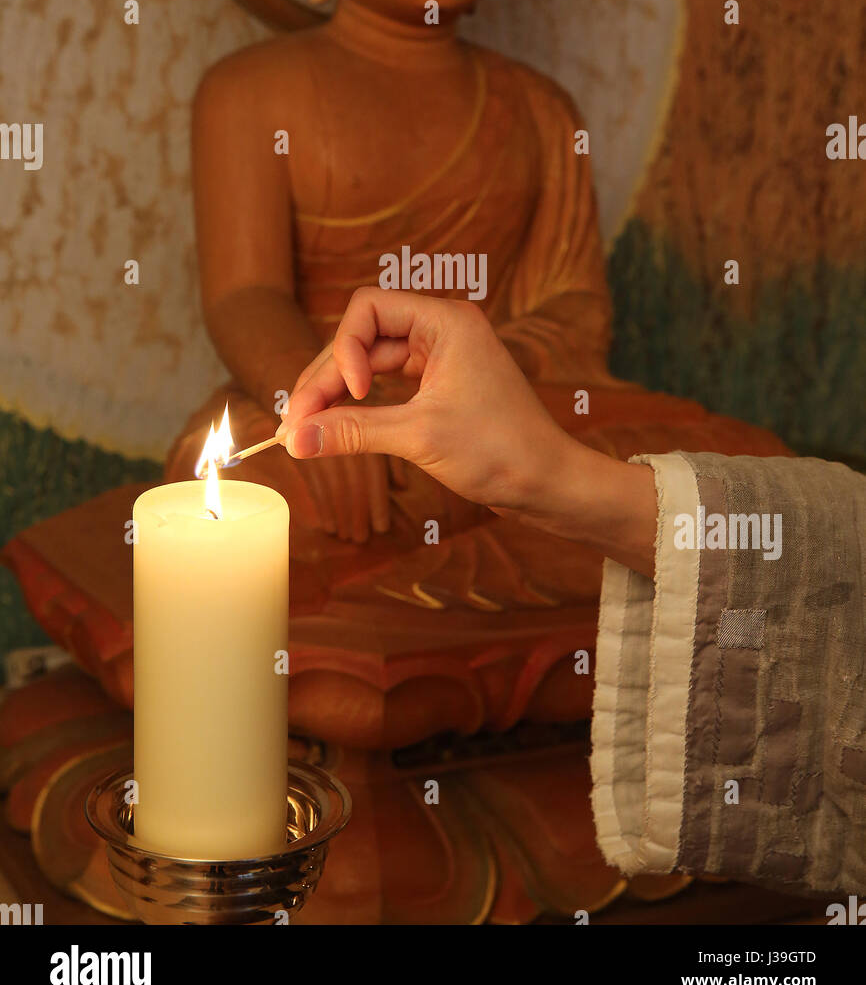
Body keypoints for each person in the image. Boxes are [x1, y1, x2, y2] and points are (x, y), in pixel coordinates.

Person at [277, 287, 866, 898]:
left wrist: (543, 442)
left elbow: (575, 307)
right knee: (272, 483)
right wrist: (550, 474)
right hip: (417, 425)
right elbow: (246, 298)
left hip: (526, 404)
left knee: (736, 446)